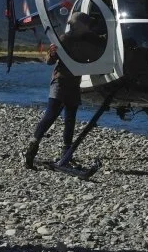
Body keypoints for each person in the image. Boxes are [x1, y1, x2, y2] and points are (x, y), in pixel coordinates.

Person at [25, 11, 103, 169]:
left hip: (74, 84)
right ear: (80, 25)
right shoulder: (65, 38)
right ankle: (32, 149)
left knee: (70, 119)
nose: (89, 26)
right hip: (60, 82)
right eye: (87, 23)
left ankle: (66, 154)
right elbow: (49, 61)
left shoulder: (87, 40)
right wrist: (52, 53)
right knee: (51, 115)